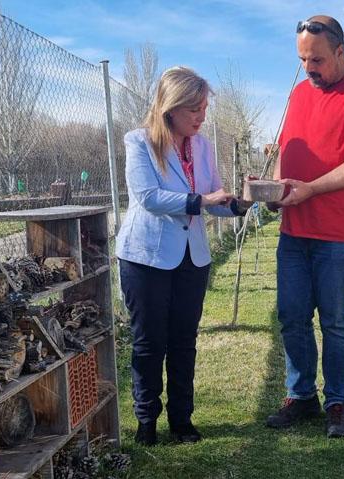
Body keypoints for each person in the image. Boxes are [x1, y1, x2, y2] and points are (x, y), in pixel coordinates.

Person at [116, 67, 247, 445]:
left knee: (183, 340)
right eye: (195, 109)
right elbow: (149, 197)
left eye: (204, 109)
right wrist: (201, 200)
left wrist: (239, 204)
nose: (202, 117)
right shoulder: (139, 142)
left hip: (192, 258)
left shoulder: (202, 146)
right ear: (171, 107)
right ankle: (146, 422)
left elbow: (210, 197)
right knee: (148, 341)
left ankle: (182, 420)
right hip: (146, 257)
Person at [262, 15, 344, 438]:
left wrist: (311, 189)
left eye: (317, 59)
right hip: (293, 230)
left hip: (337, 233)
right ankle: (301, 396)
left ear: (340, 51)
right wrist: (272, 191)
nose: (309, 67)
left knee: (336, 321)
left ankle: (338, 401)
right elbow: (289, 151)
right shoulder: (298, 94)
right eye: (303, 59)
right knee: (291, 317)